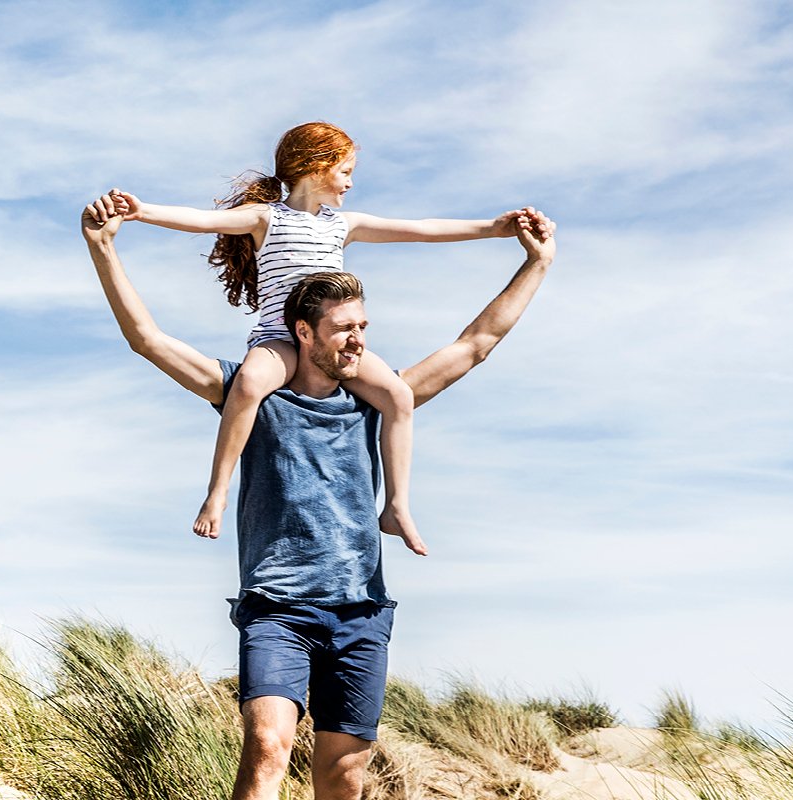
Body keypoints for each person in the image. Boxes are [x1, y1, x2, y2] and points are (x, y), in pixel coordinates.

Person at [80, 194, 557, 800]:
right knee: (267, 747)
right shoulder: (247, 394)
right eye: (344, 330)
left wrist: (535, 264)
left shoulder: (374, 402)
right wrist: (104, 248)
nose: (358, 342)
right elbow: (147, 339)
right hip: (277, 607)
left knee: (342, 774)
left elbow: (474, 344)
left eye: (364, 328)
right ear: (304, 333)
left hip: (359, 611)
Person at [94, 121, 538, 554]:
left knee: (399, 397)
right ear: (316, 165)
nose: (349, 183)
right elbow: (202, 220)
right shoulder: (265, 217)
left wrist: (494, 228)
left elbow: (421, 229)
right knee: (248, 385)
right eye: (345, 171)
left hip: (333, 341)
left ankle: (397, 505)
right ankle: (217, 491)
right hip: (279, 340)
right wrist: (141, 211)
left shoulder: (343, 224)